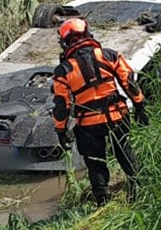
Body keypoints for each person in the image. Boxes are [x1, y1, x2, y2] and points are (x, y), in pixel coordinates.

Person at [51, 17, 149, 207]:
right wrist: (140, 106)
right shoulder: (109, 55)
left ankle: (103, 202)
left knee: (95, 162)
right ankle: (138, 190)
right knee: (124, 150)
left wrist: (61, 131)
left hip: (89, 125)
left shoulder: (63, 70)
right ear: (88, 33)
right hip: (117, 116)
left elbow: (61, 105)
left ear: (65, 42)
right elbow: (129, 82)